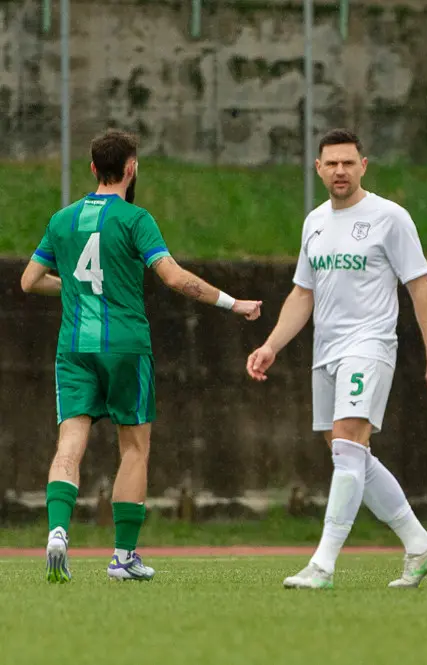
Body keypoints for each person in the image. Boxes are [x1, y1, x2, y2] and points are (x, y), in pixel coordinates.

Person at [21, 129, 262, 584]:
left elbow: (30, 281)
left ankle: (57, 531)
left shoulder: (62, 220)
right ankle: (123, 556)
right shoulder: (136, 219)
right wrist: (234, 303)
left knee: (69, 444)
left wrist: (72, 289)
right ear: (131, 168)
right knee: (133, 448)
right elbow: (173, 278)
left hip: (73, 348)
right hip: (125, 348)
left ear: (93, 168)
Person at [246, 128, 427, 589]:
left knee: (347, 446)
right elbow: (303, 293)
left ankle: (322, 564)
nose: (340, 171)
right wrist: (271, 345)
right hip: (326, 352)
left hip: (370, 345)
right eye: (331, 163)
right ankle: (420, 545)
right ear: (318, 169)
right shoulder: (315, 222)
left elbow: (419, 288)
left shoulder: (390, 217)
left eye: (348, 162)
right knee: (348, 452)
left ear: (364, 166)